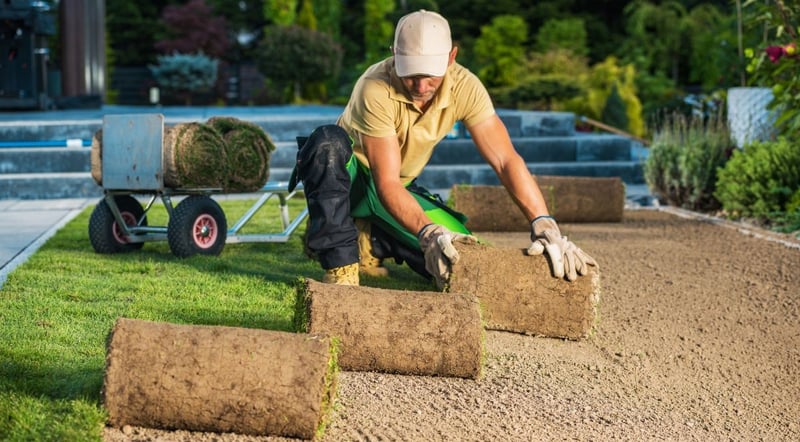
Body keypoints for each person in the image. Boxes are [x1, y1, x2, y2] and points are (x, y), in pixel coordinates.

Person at [289, 9, 596, 288]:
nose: (421, 87)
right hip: (352, 180)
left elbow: (505, 160)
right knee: (327, 142)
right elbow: (385, 183)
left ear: (451, 57)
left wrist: (544, 222)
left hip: (399, 189)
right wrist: (429, 233)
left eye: (430, 75)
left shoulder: (466, 87)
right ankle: (338, 256)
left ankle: (367, 238)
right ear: (394, 54)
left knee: (461, 259)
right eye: (411, 75)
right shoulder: (374, 88)